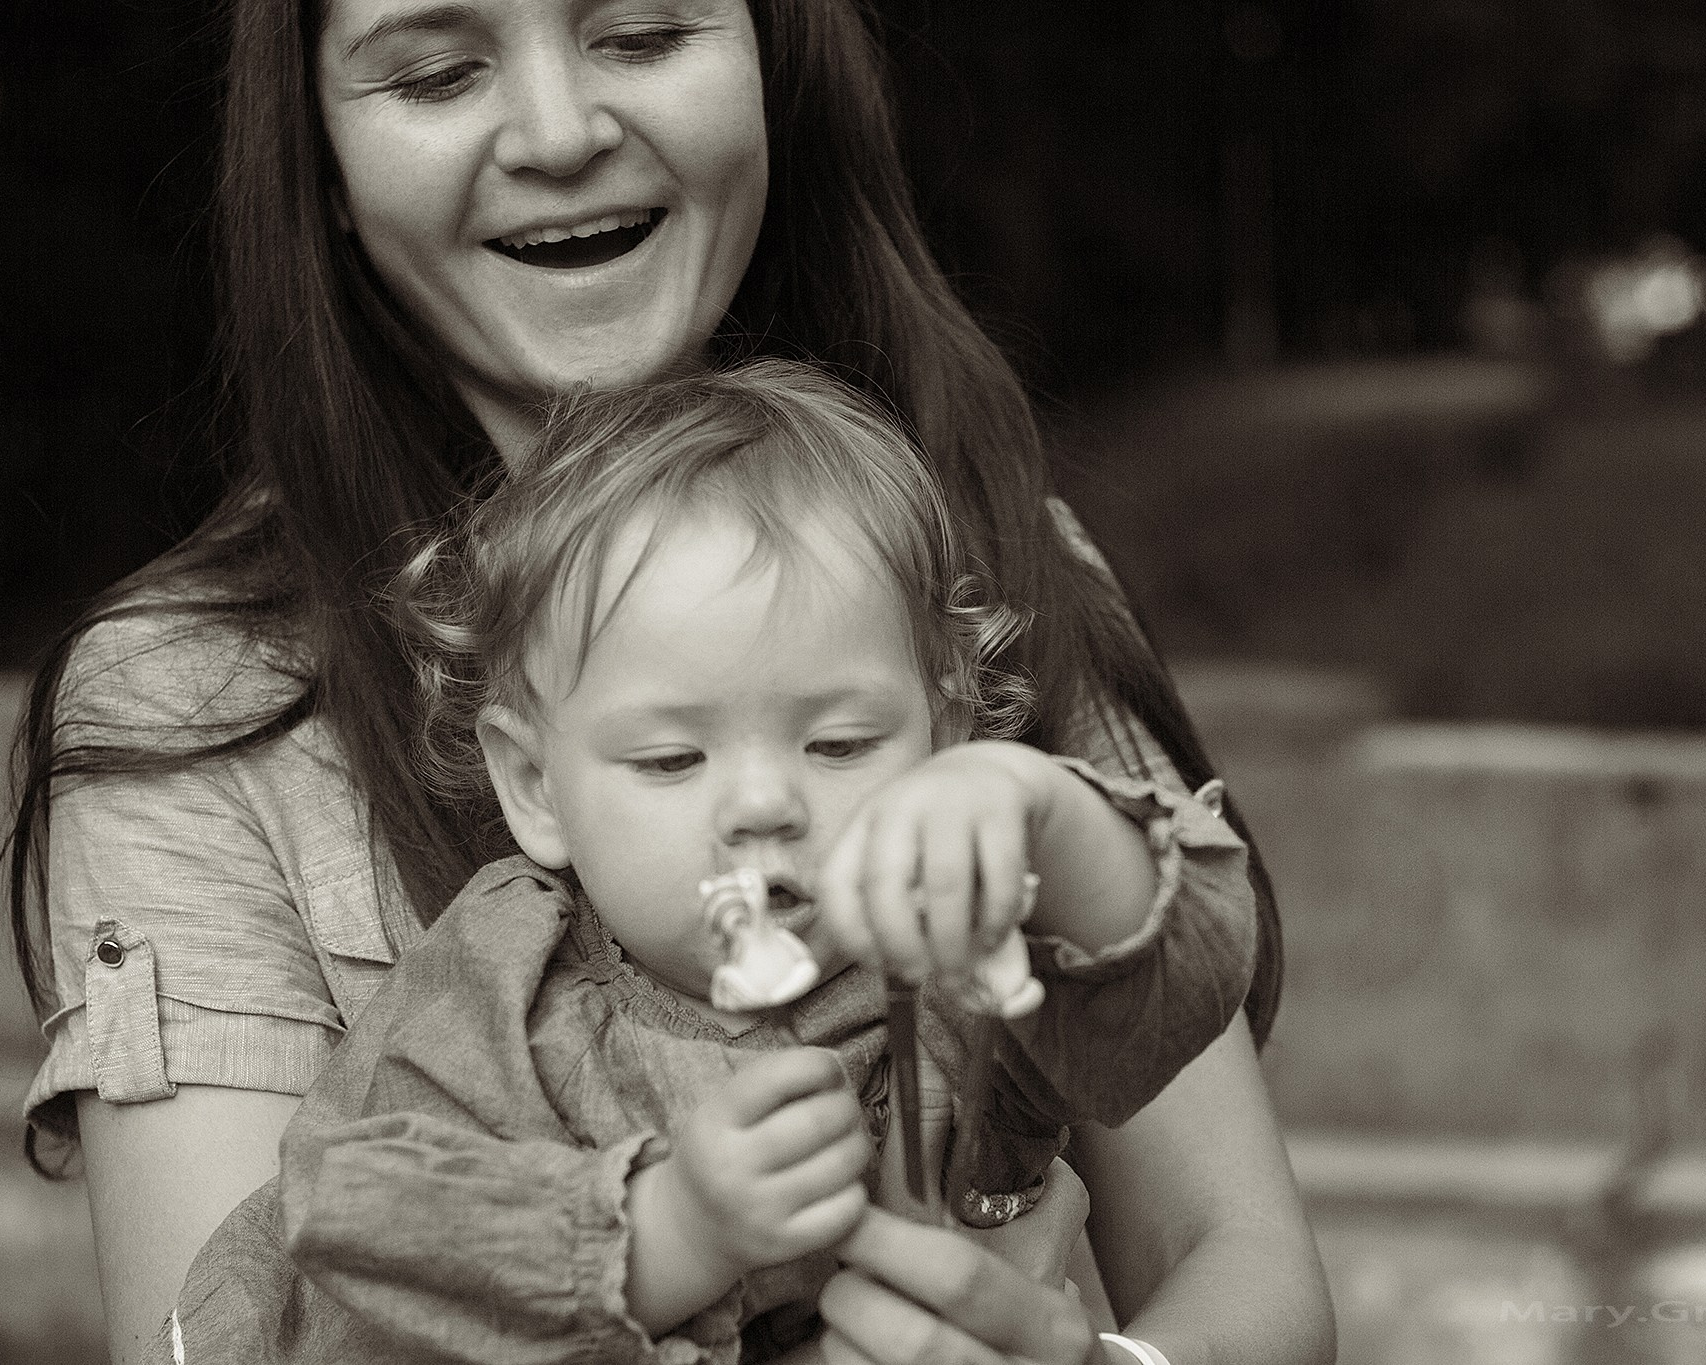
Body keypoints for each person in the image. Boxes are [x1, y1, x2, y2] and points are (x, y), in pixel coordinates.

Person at [1, 2, 1335, 1363]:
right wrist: (655, 1237)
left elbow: (1211, 1164)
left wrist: (1052, 818)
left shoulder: (988, 559)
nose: (562, 133)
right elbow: (302, 1262)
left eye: (639, 32)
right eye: (438, 71)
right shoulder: (450, 955)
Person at [171, 360, 1268, 1363]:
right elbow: (355, 1204)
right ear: (535, 787)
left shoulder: (958, 970)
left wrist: (1047, 816)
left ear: (944, 726)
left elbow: (1173, 989)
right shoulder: (504, 985)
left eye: (838, 744)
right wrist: (670, 1229)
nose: (761, 806)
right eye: (670, 757)